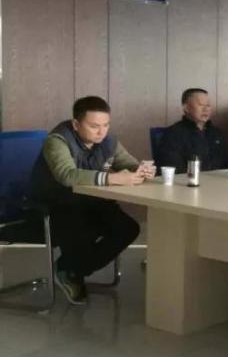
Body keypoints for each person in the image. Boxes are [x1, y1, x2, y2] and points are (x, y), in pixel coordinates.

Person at [29, 96, 149, 305]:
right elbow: (67, 175)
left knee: (128, 228)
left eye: (106, 125)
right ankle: (72, 270)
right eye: (94, 126)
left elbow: (129, 164)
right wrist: (112, 178)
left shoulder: (108, 140)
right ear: (76, 124)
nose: (101, 132)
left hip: (91, 201)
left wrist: (142, 170)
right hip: (57, 204)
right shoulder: (57, 141)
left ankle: (69, 268)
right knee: (81, 228)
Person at [157, 88, 228, 173]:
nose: (206, 109)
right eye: (201, 105)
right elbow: (173, 170)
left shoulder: (217, 133)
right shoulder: (172, 135)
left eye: (208, 105)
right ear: (186, 108)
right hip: (189, 180)